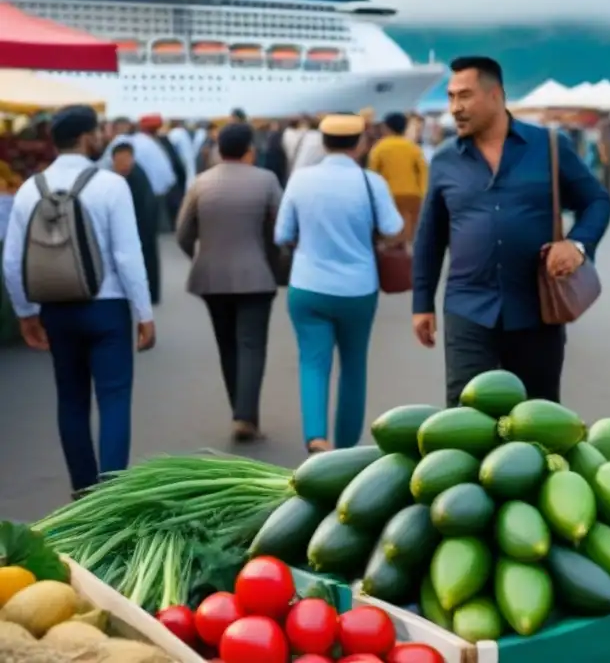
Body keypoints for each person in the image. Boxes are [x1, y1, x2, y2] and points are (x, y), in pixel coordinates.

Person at [413, 56, 610, 406]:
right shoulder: (445, 160)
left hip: (536, 308)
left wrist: (577, 245)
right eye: (451, 97)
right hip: (467, 308)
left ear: (495, 96)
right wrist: (422, 303)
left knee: (537, 418)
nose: (455, 108)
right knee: (464, 420)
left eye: (465, 96)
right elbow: (431, 236)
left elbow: (596, 201)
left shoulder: (549, 147)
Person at [1, 105, 154, 495]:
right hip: (107, 308)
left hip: (56, 309)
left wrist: (26, 314)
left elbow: (13, 260)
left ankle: (82, 491)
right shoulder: (110, 185)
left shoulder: (29, 189)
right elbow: (126, 255)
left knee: (70, 399)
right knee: (114, 397)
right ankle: (111, 496)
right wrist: (144, 312)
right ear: (88, 137)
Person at [275, 114, 403, 453]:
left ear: (323, 141)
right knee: (354, 365)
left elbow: (282, 234)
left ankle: (316, 436)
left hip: (307, 285)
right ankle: (346, 448)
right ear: (360, 144)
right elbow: (393, 229)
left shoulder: (300, 180)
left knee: (312, 362)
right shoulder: (370, 182)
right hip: (358, 288)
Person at [175, 123, 282, 442]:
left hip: (211, 277)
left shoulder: (200, 183)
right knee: (251, 344)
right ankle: (245, 416)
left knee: (227, 345)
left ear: (218, 150)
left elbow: (183, 233)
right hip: (257, 276)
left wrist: (202, 256)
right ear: (250, 149)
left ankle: (239, 409)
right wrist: (273, 261)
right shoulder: (266, 180)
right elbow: (280, 229)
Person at [110, 142, 161, 308]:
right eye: (119, 160)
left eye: (126, 159)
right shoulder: (126, 175)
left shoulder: (136, 176)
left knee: (146, 258)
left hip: (143, 223)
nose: (123, 164)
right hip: (140, 223)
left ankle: (149, 294)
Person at [368, 113, 429, 243]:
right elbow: (423, 172)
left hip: (389, 195)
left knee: (390, 233)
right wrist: (423, 193)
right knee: (410, 233)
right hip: (412, 195)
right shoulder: (413, 148)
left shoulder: (379, 148)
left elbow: (372, 173)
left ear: (386, 128)